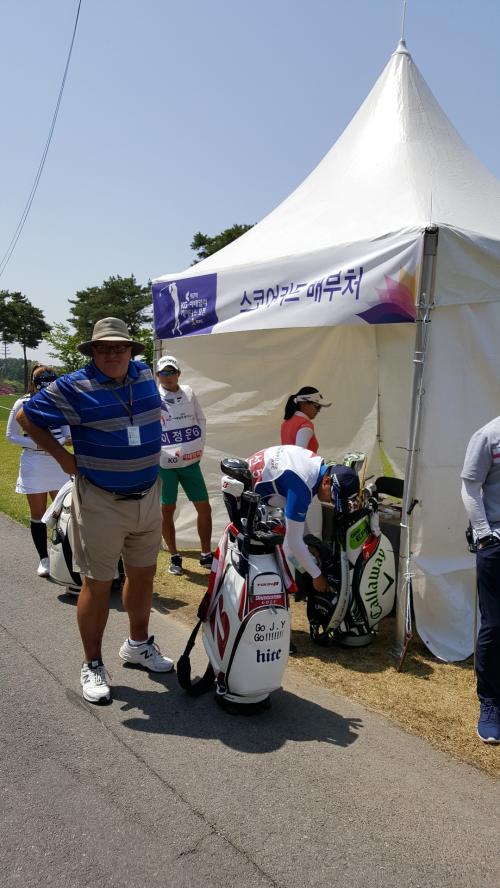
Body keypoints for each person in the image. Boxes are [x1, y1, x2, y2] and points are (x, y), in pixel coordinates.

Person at [16, 318, 174, 705]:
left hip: (147, 494)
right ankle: (93, 663)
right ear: (93, 352)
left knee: (143, 576)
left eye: (120, 347)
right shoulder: (74, 385)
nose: (112, 354)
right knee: (98, 582)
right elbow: (26, 417)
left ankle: (138, 645)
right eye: (103, 348)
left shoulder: (143, 374)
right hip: (102, 499)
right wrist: (63, 459)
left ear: (131, 350)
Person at [6, 365, 71, 577]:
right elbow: (11, 436)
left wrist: (62, 440)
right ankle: (43, 558)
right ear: (34, 384)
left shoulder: (59, 402)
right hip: (34, 462)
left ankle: (64, 557)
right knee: (38, 513)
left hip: (57, 460)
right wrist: (38, 443)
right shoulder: (22, 403)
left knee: (63, 511)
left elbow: (66, 431)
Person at [247, 444, 333, 594]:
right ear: (327, 481)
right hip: (250, 488)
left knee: (296, 544)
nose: (331, 501)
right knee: (285, 548)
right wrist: (316, 575)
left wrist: (306, 543)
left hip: (260, 472)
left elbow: (295, 521)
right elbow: (292, 545)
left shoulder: (317, 466)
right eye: (333, 497)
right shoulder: (303, 484)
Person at [461, 419, 500, 743]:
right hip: (496, 543)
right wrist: (485, 535)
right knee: (495, 626)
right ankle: (490, 703)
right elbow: (470, 486)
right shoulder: (488, 436)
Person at [156, 354, 212, 575]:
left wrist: (199, 445)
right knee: (167, 509)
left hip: (190, 462)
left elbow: (201, 419)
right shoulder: (154, 396)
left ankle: (206, 554)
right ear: (158, 375)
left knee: (204, 507)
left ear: (178, 373)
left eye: (171, 372)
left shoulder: (188, 392)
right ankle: (174, 556)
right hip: (165, 465)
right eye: (163, 373)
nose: (168, 376)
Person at [280, 386, 331, 453]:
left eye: (320, 407)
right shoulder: (305, 425)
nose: (318, 410)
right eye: (317, 406)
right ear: (303, 404)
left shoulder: (285, 423)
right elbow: (299, 454)